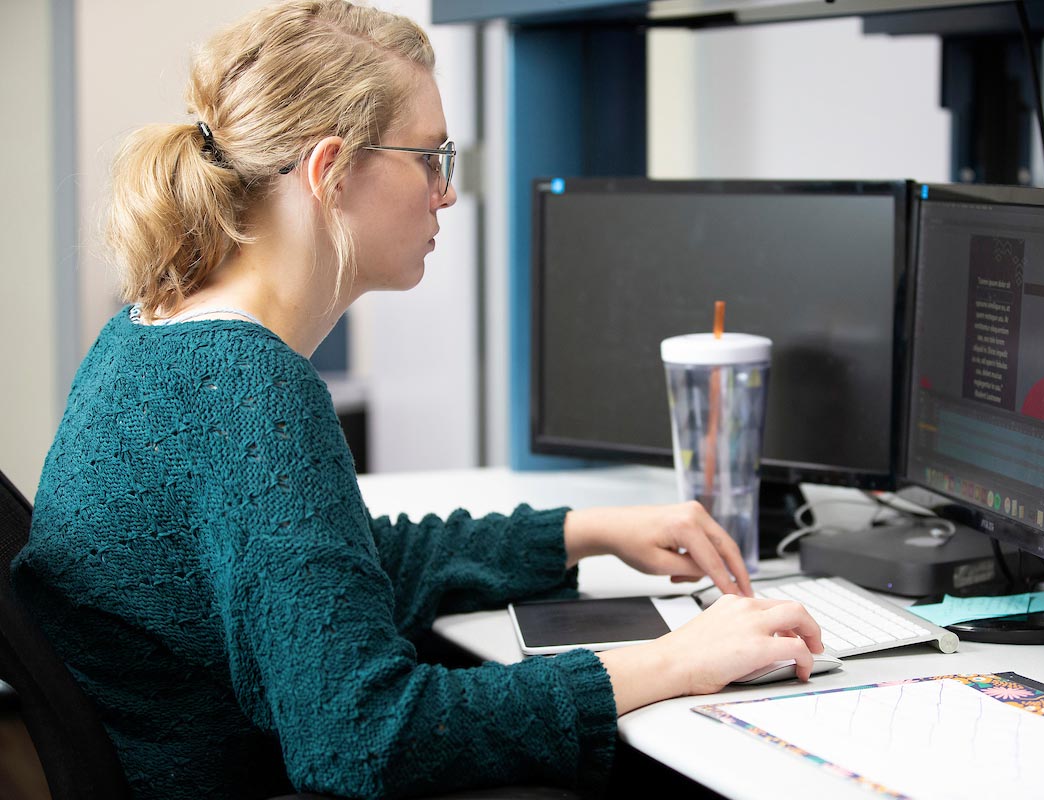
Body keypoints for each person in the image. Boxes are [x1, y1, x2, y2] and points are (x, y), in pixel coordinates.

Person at [11, 2, 823, 798]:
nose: (445, 194)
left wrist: (588, 533)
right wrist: (673, 661)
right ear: (330, 172)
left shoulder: (150, 333)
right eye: (431, 157)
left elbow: (326, 573)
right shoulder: (249, 389)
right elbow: (365, 739)